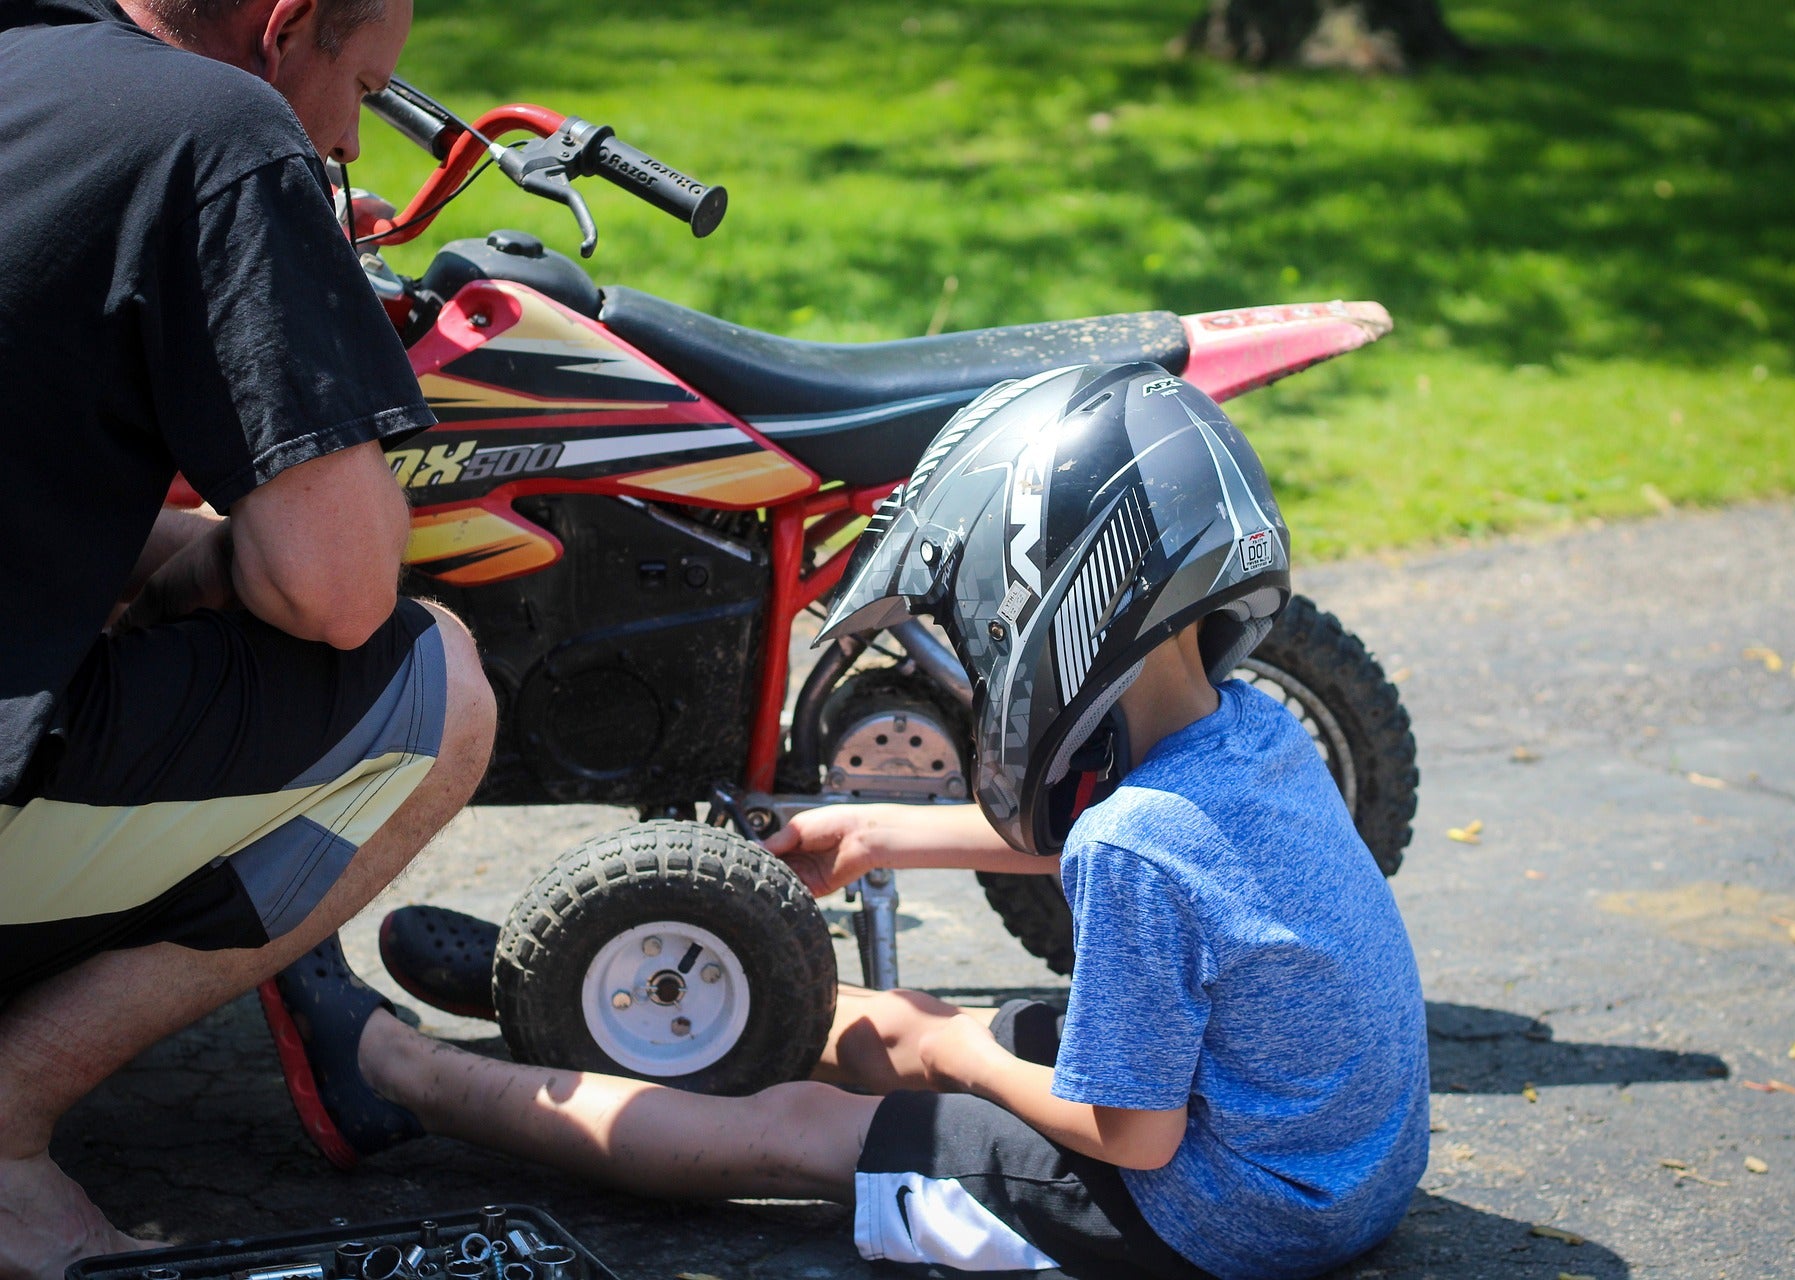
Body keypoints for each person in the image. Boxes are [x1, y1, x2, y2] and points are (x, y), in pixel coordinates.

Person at [283, 363, 1430, 1279]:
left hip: (1221, 1216)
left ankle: (398, 1075)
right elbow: (1158, 854)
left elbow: (1132, 1136)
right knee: (903, 1017)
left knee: (799, 1123)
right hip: (1326, 1156)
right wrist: (880, 830)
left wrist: (960, 1053)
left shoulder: (1138, 845)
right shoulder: (1249, 732)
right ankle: (573, 987)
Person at [0, 0, 497, 1272]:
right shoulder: (221, 128)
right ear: (286, 30)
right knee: (434, 685)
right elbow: (337, 592)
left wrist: (177, 561)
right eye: (369, 90)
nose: (351, 138)